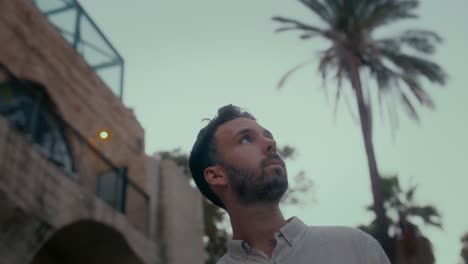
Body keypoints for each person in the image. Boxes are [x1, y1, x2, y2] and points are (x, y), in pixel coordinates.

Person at [189, 104, 390, 264]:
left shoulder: (355, 247)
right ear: (216, 176)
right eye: (245, 140)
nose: (271, 143)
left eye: (268, 136)